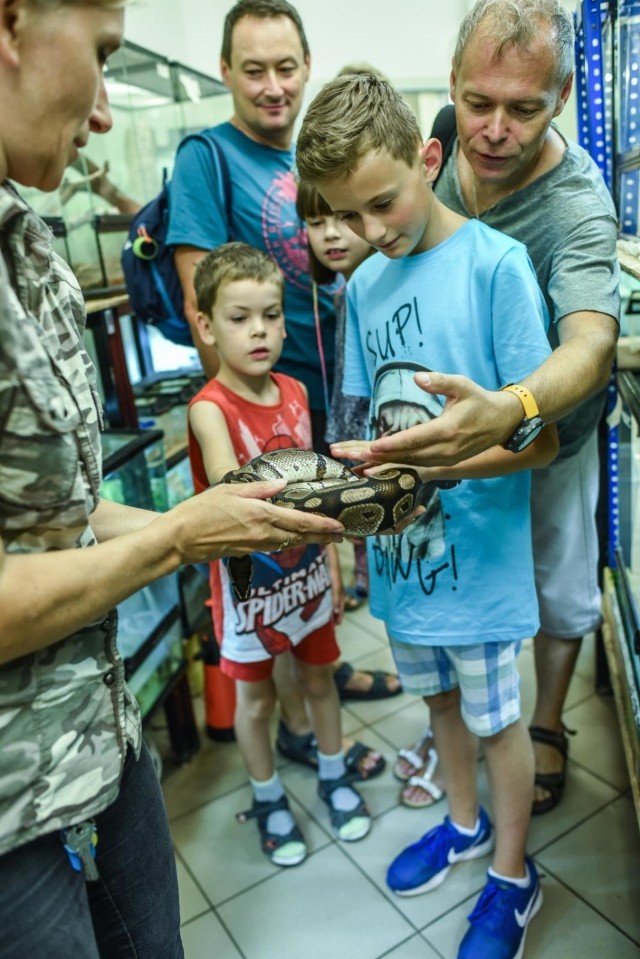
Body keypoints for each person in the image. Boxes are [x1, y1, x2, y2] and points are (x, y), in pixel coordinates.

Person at [0, 2, 344, 956]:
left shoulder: (24, 239)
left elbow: (56, 516)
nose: (106, 112)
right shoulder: (207, 169)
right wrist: (183, 531)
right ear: (12, 24)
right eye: (102, 56)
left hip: (98, 737)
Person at [297, 72, 559, 958]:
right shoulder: (361, 287)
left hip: (479, 563)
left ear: (429, 158)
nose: (368, 233)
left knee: (495, 720)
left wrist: (446, 455)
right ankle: (462, 821)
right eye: (344, 216)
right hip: (404, 567)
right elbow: (361, 424)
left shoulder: (496, 266)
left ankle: (514, 875)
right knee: (440, 706)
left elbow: (543, 440)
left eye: (381, 203)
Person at [340, 0, 621, 816]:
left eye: (523, 109)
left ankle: (543, 725)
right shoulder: (437, 135)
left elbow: (590, 342)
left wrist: (514, 405)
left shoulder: (577, 206)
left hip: (547, 438)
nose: (493, 130)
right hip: (444, 435)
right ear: (453, 87)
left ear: (562, 97)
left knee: (560, 590)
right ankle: (474, 727)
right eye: (477, 103)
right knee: (465, 581)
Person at [166, 0, 399, 716]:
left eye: (287, 68)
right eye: (256, 69)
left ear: (307, 68)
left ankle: (320, 680)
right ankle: (293, 715)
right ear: (226, 71)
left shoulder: (310, 158)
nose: (274, 86)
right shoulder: (207, 158)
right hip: (261, 411)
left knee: (313, 564)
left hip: (322, 393)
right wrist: (241, 415)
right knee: (268, 563)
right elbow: (202, 304)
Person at [187, 242, 372, 865]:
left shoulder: (294, 388)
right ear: (207, 326)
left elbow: (323, 488)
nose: (259, 330)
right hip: (249, 590)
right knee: (257, 698)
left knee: (320, 681)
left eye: (271, 314)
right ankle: (267, 796)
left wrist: (334, 566)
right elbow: (225, 482)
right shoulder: (210, 408)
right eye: (239, 318)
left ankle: (333, 771)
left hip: (308, 576)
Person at [296, 178, 373, 613]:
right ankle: (364, 583)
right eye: (314, 221)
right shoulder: (342, 291)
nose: (329, 233)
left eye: (341, 217)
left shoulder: (371, 287)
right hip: (351, 446)